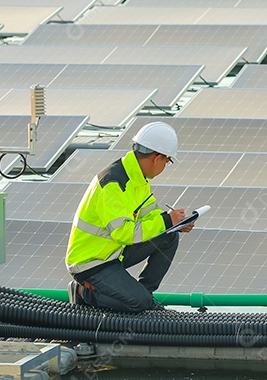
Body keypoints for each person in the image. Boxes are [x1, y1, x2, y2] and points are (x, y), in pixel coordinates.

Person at [65, 121, 194, 312]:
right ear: (156, 158)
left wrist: (173, 222)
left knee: (169, 235)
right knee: (137, 303)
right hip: (91, 263)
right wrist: (167, 220)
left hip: (113, 252)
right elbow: (124, 233)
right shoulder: (113, 183)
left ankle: (144, 294)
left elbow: (150, 215)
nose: (165, 166)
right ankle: (84, 292)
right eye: (167, 161)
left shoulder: (137, 177)